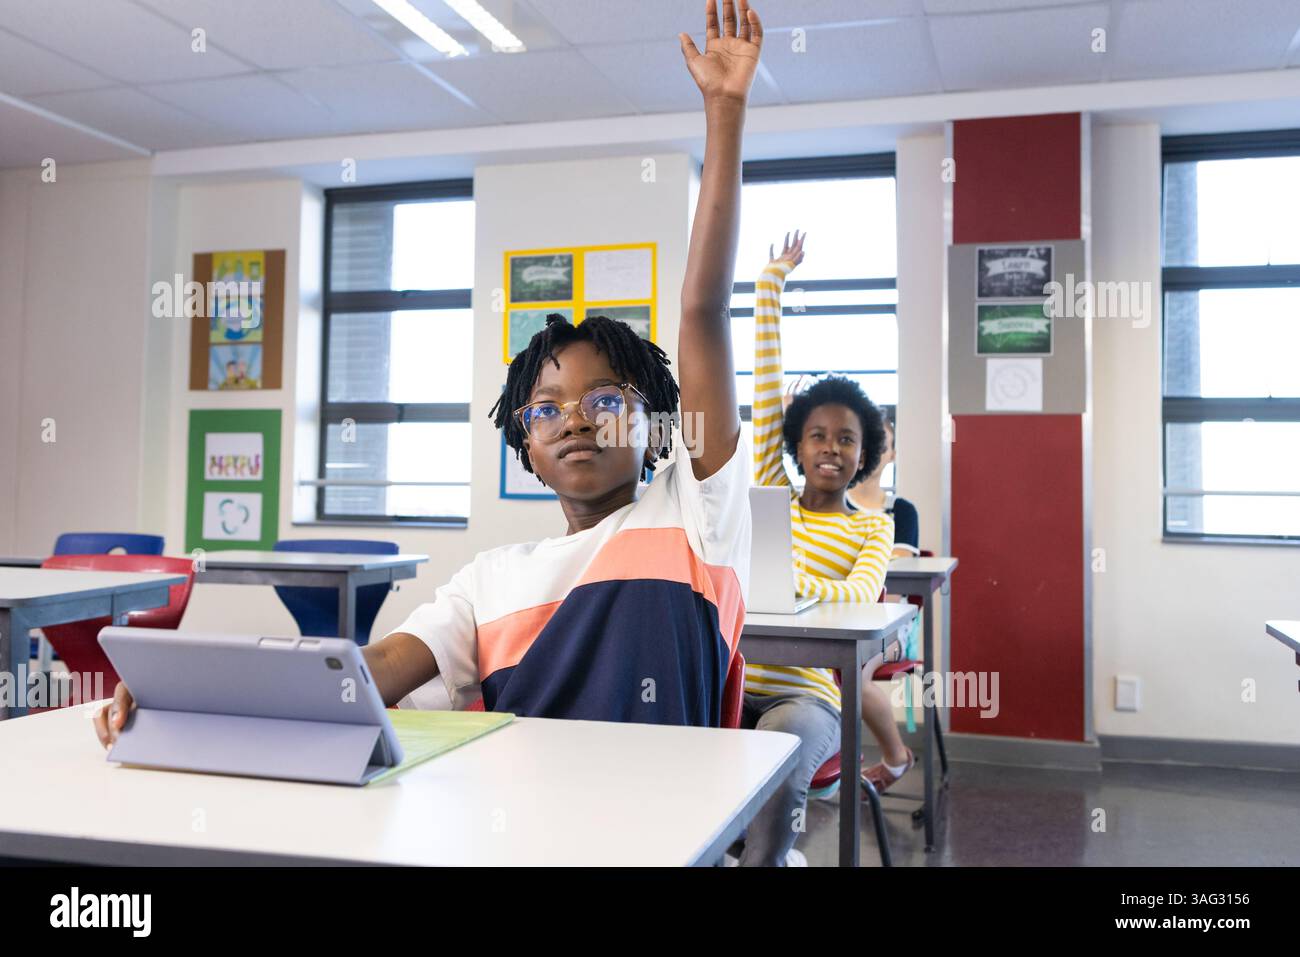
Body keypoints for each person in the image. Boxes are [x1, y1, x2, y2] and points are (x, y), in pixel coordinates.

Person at [96, 0, 767, 738]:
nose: (574, 417)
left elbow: (702, 309)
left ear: (656, 418)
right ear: (528, 448)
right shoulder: (491, 581)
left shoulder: (694, 518)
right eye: (546, 409)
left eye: (603, 397)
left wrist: (724, 114)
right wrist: (183, 694)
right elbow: (372, 669)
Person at [739, 232, 914, 867]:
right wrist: (769, 285)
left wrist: (775, 593)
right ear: (796, 447)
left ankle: (767, 861)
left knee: (780, 746)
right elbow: (764, 388)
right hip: (729, 684)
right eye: (817, 436)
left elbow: (860, 596)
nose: (831, 449)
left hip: (805, 696)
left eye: (846, 439)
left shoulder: (872, 527)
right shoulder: (770, 498)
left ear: (863, 453)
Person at [847, 408, 920, 558]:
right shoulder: (831, 504)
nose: (873, 454)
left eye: (881, 448)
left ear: (893, 455)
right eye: (867, 446)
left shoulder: (903, 511)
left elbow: (900, 566)